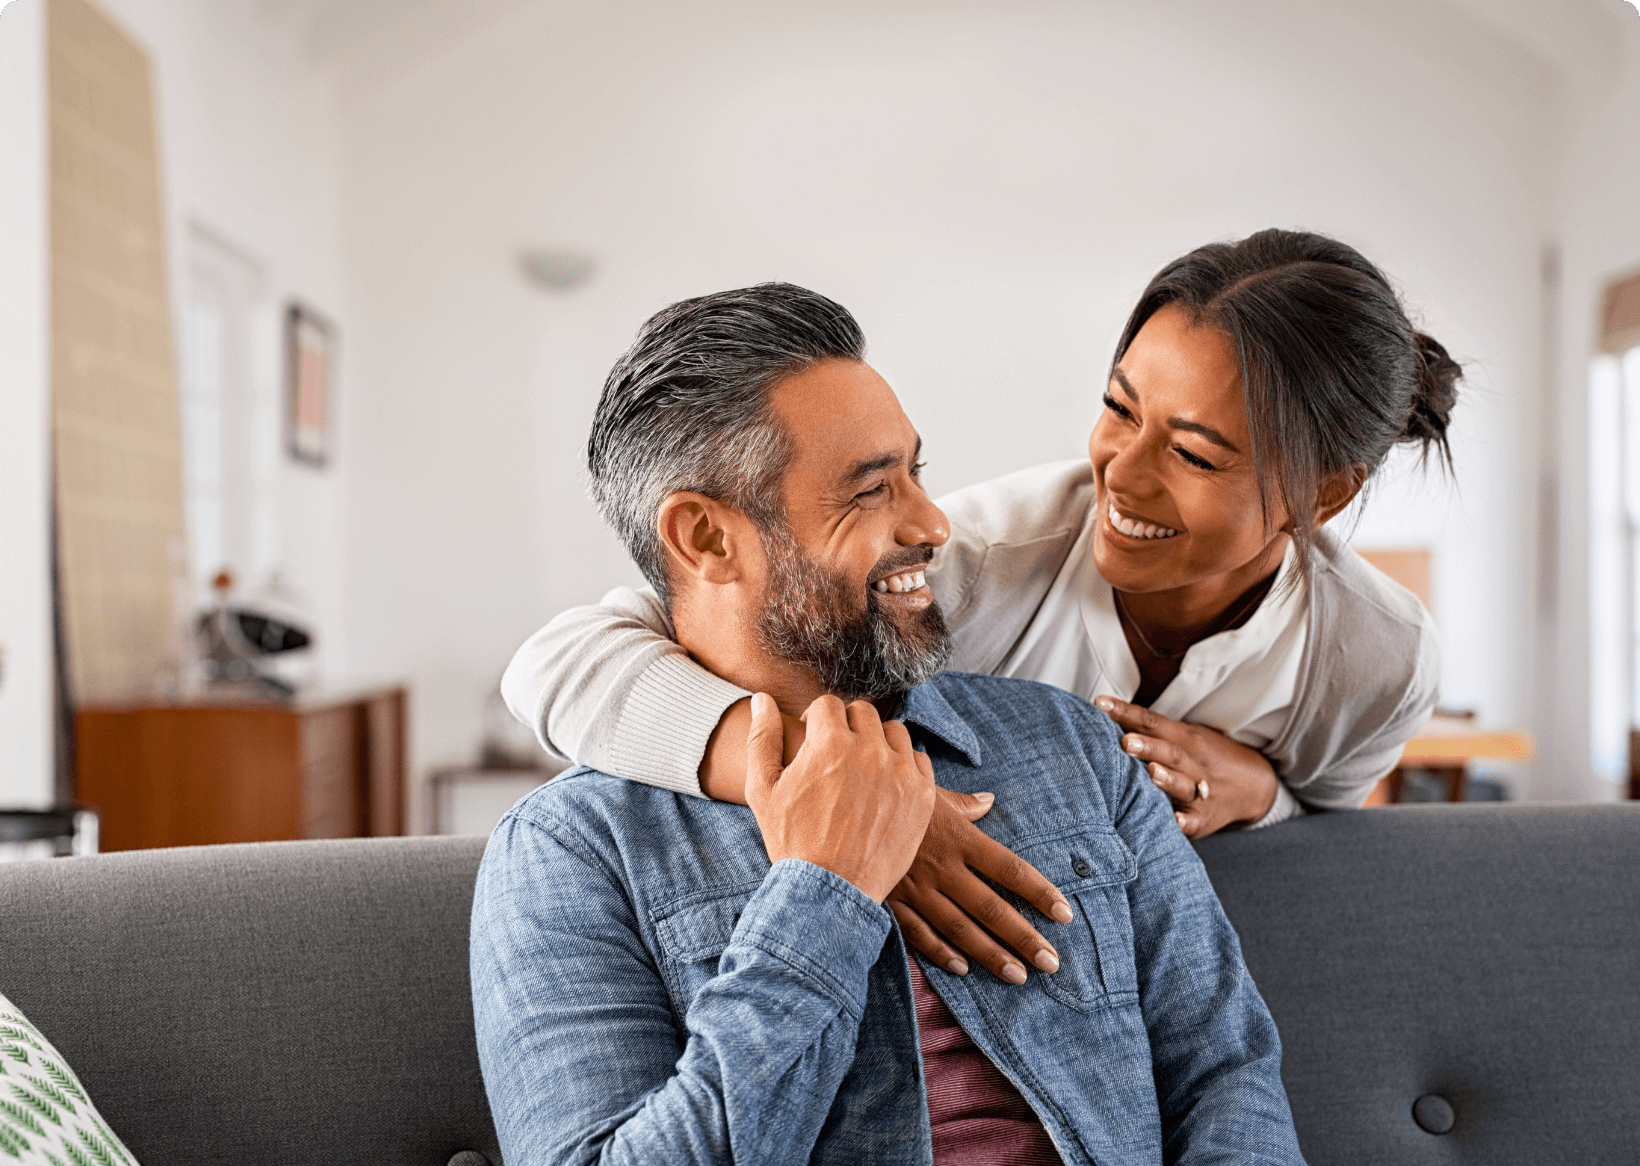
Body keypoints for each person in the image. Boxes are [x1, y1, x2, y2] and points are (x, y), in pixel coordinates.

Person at [470, 283, 1317, 1166]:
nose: (932, 523)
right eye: (873, 489)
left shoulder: (1074, 746)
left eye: (917, 472)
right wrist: (820, 896)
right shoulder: (572, 851)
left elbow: (1228, 1075)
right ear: (707, 536)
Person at [500, 230, 1457, 985]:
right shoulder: (979, 561)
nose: (1120, 472)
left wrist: (1264, 794)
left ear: (1323, 495)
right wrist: (855, 796)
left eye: (1195, 453)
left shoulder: (1377, 657)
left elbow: (1334, 834)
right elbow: (559, 662)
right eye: (1119, 409)